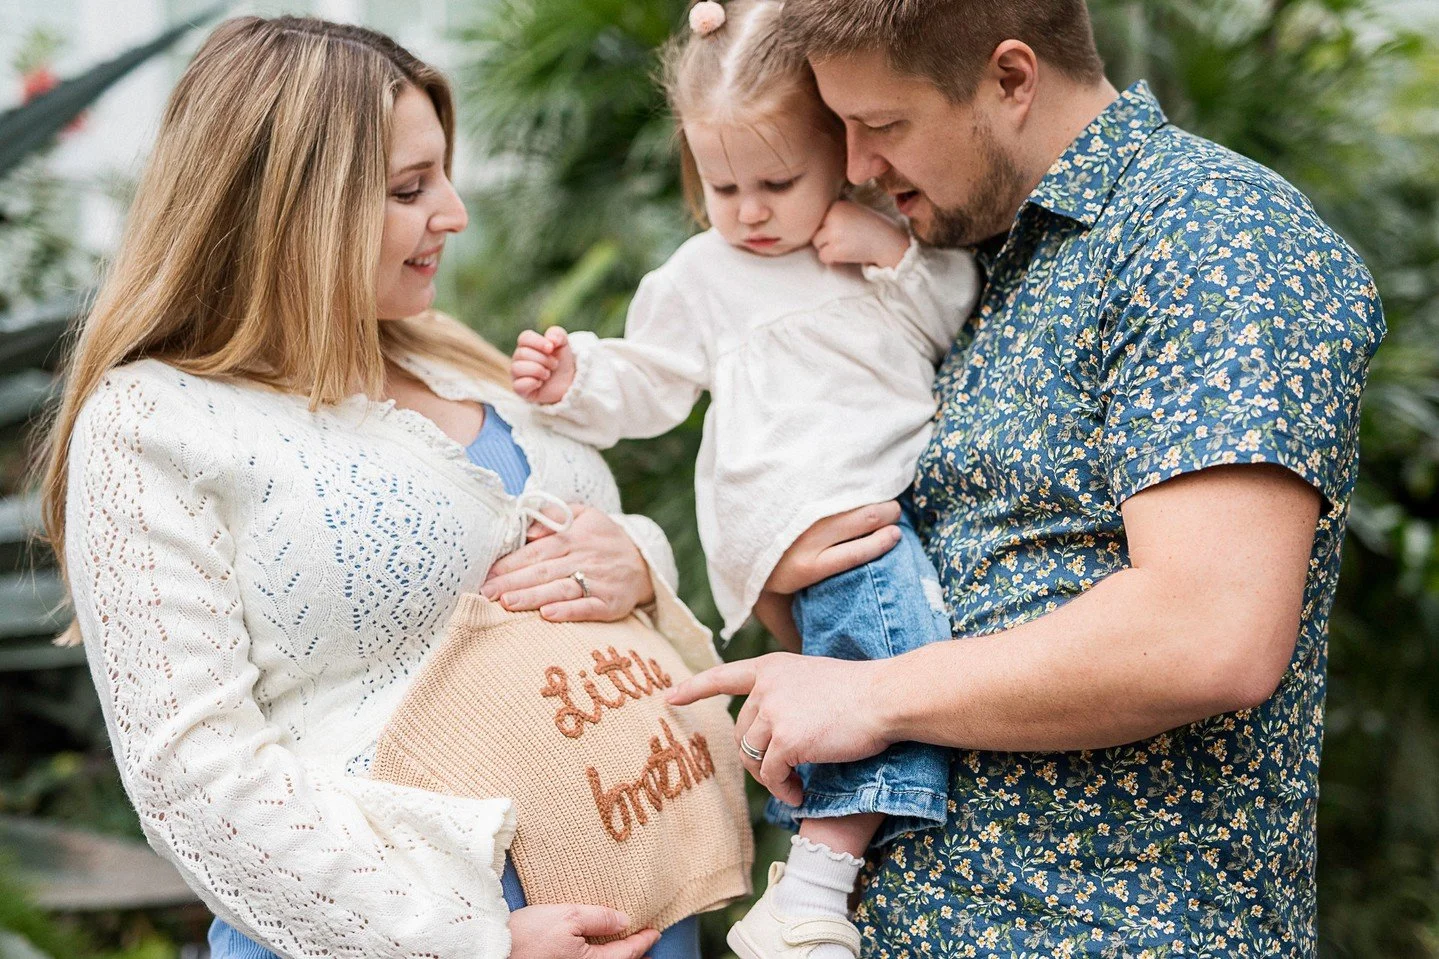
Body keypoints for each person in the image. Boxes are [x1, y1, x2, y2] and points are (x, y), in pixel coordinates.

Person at [668, 0, 1387, 956]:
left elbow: (1209, 631)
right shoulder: (970, 259)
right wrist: (785, 553)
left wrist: (870, 693)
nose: (853, 167)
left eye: (881, 124)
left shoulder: (1209, 236)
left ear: (1010, 79)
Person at [37, 16, 741, 959]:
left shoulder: (463, 362)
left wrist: (639, 562)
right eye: (410, 189)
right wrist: (466, 940)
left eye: (442, 176)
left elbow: (600, 562)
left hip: (640, 898)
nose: (451, 213)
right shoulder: (153, 421)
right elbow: (193, 774)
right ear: (293, 205)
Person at [507, 2, 978, 955]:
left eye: (776, 180)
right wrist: (577, 378)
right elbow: (651, 382)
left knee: (857, 691)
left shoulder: (876, 246)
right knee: (888, 676)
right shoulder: (701, 276)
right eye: (722, 186)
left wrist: (888, 251)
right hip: (808, 520)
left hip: (880, 512)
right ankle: (811, 888)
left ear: (841, 150)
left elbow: (952, 314)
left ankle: (810, 867)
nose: (750, 210)